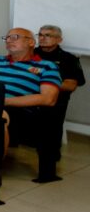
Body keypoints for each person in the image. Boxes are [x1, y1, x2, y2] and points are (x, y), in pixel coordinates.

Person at [0, 28, 63, 179]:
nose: (9, 40)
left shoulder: (47, 66)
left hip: (21, 110)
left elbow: (48, 98)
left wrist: (2, 101)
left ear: (31, 42)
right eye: (7, 38)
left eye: (15, 37)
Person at [34, 25, 86, 171]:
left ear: (59, 40)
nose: (42, 38)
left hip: (55, 99)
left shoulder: (68, 58)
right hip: (28, 94)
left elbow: (71, 85)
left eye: (48, 35)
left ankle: (50, 156)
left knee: (51, 121)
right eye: (40, 35)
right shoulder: (30, 53)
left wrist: (45, 84)